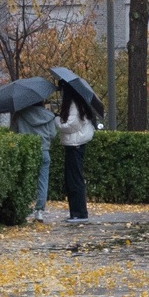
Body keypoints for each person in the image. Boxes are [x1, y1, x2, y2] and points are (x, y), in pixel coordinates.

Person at [10, 90, 60, 218]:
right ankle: (39, 211)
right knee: (42, 180)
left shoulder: (20, 115)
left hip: (26, 152)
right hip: (44, 151)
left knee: (25, 180)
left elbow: (13, 133)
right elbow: (53, 135)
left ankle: (23, 208)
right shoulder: (48, 116)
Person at [57, 84, 96, 222]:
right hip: (74, 144)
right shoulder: (78, 104)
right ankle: (76, 212)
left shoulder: (74, 105)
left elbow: (70, 125)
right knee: (72, 179)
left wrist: (56, 120)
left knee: (74, 179)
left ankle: (79, 212)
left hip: (75, 145)